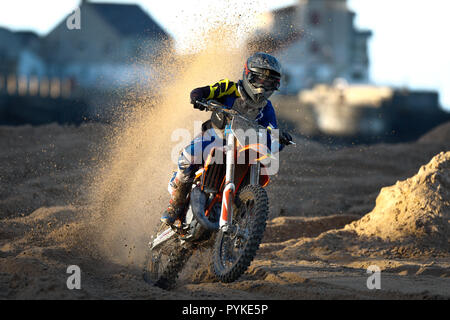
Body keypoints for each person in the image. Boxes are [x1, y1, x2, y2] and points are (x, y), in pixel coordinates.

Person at [161, 52, 292, 225]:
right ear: (249, 75)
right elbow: (202, 92)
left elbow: (271, 132)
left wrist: (278, 138)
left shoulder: (266, 108)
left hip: (241, 147)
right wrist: (199, 98)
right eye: (260, 79)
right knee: (190, 155)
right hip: (215, 136)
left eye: (268, 82)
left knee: (260, 163)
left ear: (275, 85)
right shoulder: (229, 88)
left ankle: (240, 213)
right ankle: (176, 203)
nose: (263, 85)